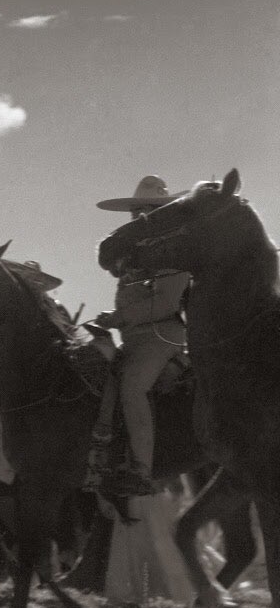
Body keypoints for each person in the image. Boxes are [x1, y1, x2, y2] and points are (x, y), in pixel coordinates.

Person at [93, 175, 190, 497]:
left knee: (133, 386)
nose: (137, 218)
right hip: (134, 339)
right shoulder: (133, 256)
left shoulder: (173, 252)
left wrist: (117, 318)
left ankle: (142, 471)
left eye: (145, 211)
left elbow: (165, 303)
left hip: (164, 337)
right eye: (135, 212)